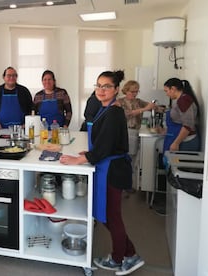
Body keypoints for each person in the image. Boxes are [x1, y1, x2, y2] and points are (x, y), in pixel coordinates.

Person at [59, 70, 145, 275]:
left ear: (116, 90)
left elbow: (106, 147)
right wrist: (89, 152)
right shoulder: (105, 109)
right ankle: (130, 254)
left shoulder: (114, 112)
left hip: (112, 170)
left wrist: (78, 159)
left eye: (106, 86)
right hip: (106, 165)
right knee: (107, 215)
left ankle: (118, 259)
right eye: (98, 85)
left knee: (111, 217)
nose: (101, 90)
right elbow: (105, 141)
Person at [161, 78, 200, 152]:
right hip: (181, 138)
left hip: (186, 141)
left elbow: (188, 125)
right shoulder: (180, 100)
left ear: (173, 89)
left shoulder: (184, 100)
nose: (166, 94)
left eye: (166, 91)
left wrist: (176, 143)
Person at [117, 80, 156, 156]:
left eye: (136, 92)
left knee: (133, 156)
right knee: (126, 155)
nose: (135, 94)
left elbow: (150, 106)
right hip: (125, 131)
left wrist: (156, 107)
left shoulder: (138, 101)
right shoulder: (120, 102)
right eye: (132, 92)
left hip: (135, 131)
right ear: (126, 91)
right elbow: (128, 114)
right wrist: (145, 109)